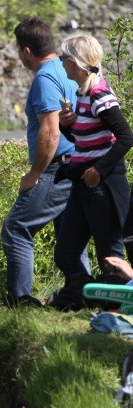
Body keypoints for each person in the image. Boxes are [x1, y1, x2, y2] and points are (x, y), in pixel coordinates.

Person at [48, 33, 133, 310]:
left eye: (62, 59)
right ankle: (81, 294)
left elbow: (125, 137)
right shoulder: (81, 93)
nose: (61, 63)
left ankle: (114, 311)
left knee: (110, 256)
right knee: (65, 252)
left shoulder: (99, 94)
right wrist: (66, 126)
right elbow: (83, 141)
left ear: (73, 63)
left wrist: (98, 169)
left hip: (103, 184)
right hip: (84, 182)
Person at [0, 17, 80, 308]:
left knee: (16, 227)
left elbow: (50, 132)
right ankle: (79, 295)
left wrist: (34, 174)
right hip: (76, 164)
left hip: (57, 168)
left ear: (25, 51)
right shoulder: (65, 68)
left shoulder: (45, 78)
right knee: (69, 237)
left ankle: (19, 301)